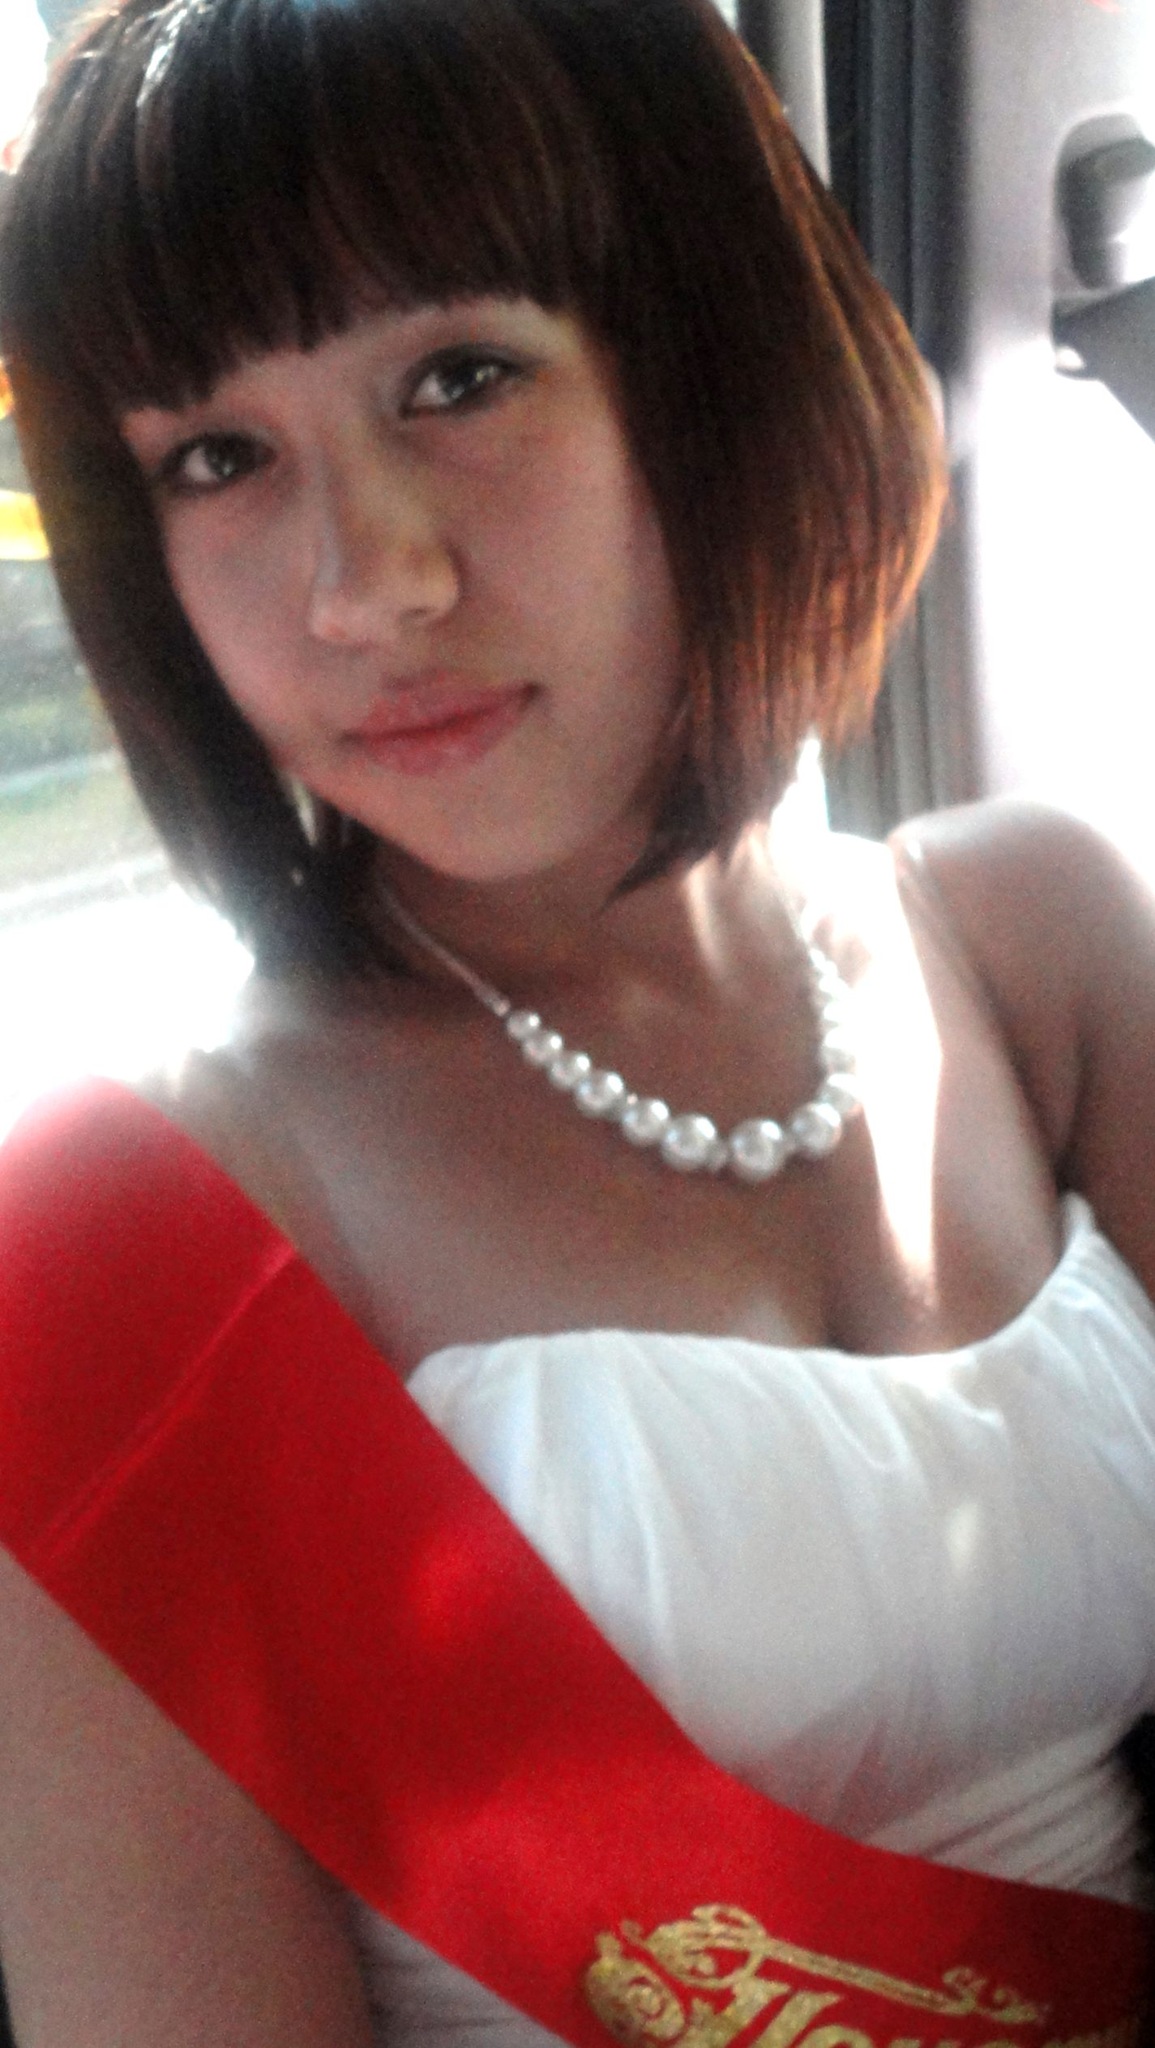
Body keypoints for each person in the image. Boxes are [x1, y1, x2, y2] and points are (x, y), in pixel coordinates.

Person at [0, 0, 1153, 2043]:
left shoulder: (1031, 943)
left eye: (458, 377)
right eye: (216, 457)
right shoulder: (123, 1248)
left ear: (712, 359)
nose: (365, 582)